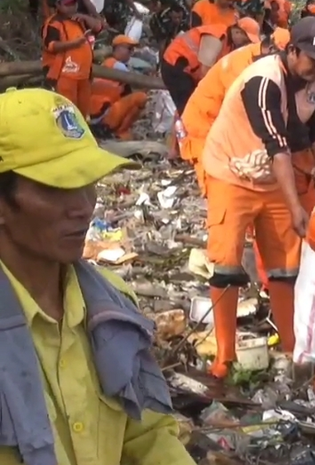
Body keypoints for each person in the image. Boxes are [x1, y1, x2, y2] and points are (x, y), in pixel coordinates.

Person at [0, 88, 195, 465]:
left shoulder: (110, 308)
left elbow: (148, 435)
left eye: (87, 182)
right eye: (56, 188)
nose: (83, 207)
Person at [200, 17, 315, 379]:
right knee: (227, 264)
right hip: (232, 171)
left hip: (272, 178)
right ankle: (225, 358)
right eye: (313, 59)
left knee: (285, 268)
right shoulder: (263, 81)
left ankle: (291, 349)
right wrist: (297, 207)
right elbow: (277, 146)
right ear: (292, 50)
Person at [180, 28, 290, 193]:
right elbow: (243, 110)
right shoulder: (240, 66)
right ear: (273, 49)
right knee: (213, 175)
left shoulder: (257, 59)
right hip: (204, 120)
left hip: (217, 120)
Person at [160, 18, 261, 114]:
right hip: (175, 66)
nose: (246, 44)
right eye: (246, 40)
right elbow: (205, 71)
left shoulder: (228, 43)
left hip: (187, 70)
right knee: (189, 108)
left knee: (193, 106)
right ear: (238, 32)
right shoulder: (216, 36)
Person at [41, 0, 103, 121]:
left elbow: (99, 27)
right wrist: (74, 44)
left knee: (82, 112)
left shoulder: (78, 20)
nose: (72, 7)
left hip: (84, 75)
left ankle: (83, 138)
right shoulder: (54, 23)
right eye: (67, 4)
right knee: (66, 112)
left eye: (74, 3)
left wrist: (84, 16)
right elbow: (51, 46)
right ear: (58, 5)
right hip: (64, 75)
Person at [90, 35, 149, 140]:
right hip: (104, 115)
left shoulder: (107, 63)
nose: (131, 53)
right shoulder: (116, 65)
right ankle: (121, 132)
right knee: (141, 98)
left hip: (98, 114)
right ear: (118, 48)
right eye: (129, 49)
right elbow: (136, 83)